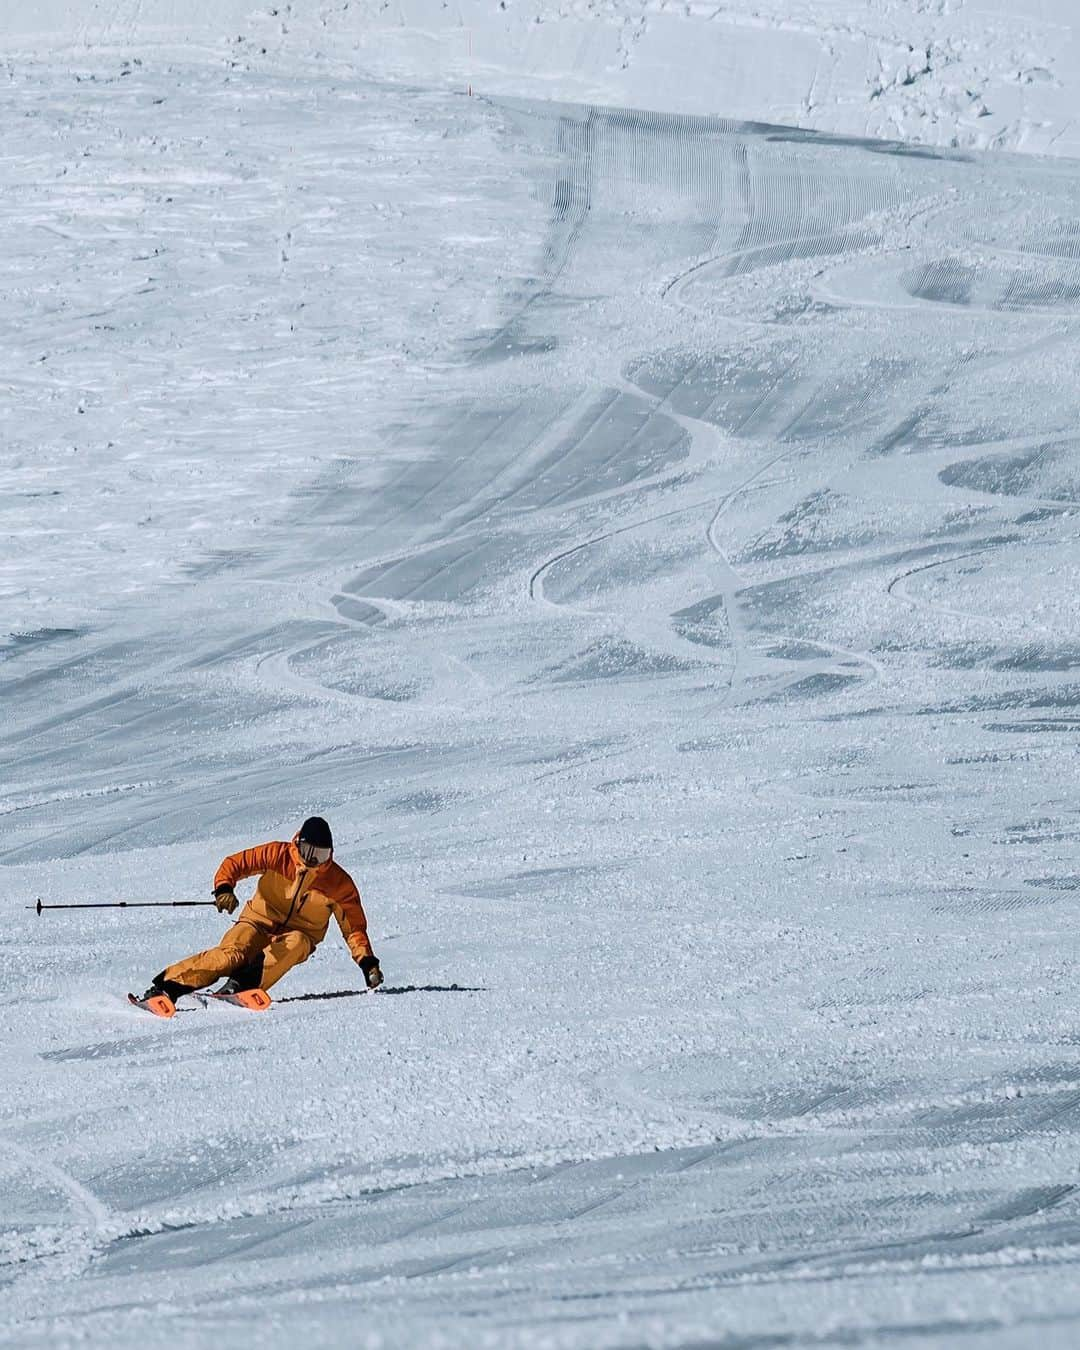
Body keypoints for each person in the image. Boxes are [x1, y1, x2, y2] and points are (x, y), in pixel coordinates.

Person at [138, 816, 382, 1009]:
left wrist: (366, 961)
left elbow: (353, 927)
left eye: (321, 855)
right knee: (229, 956)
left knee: (295, 943)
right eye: (308, 852)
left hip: (299, 935)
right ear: (298, 844)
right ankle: (167, 987)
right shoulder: (278, 854)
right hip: (258, 921)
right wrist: (224, 887)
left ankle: (242, 985)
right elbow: (237, 863)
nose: (313, 861)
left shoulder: (338, 883)